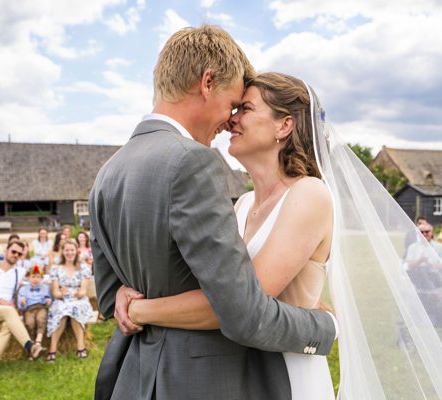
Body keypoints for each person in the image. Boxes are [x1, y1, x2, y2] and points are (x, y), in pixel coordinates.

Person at [90, 26, 337, 400]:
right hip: (206, 375)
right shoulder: (208, 176)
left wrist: (138, 310)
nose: (231, 119)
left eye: (244, 109)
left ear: (285, 125)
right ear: (207, 83)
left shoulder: (107, 171)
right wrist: (325, 326)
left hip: (272, 371)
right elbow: (242, 308)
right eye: (234, 104)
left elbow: (112, 297)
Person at [0, 242, 46, 381]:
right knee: (9, 310)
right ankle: (31, 346)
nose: (16, 255)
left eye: (19, 254)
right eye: (13, 251)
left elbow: (39, 277)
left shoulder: (20, 272)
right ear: (5, 251)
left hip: (5, 314)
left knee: (8, 326)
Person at [46, 239, 92, 363]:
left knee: (74, 308)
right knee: (61, 310)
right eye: (67, 250)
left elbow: (83, 291)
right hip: (62, 299)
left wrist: (77, 294)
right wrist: (62, 294)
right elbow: (56, 293)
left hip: (79, 299)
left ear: (76, 251)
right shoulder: (56, 268)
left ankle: (81, 346)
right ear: (62, 251)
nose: (70, 253)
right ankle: (52, 349)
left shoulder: (83, 267)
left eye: (72, 250)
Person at [18, 265, 51, 361]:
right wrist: (23, 303)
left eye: (38, 277)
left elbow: (48, 300)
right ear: (28, 277)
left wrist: (48, 301)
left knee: (41, 319)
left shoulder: (45, 288)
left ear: (41, 278)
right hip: (29, 309)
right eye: (33, 277)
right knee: (29, 323)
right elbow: (21, 307)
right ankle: (32, 348)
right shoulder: (23, 290)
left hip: (41, 307)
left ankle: (38, 342)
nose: (35, 279)